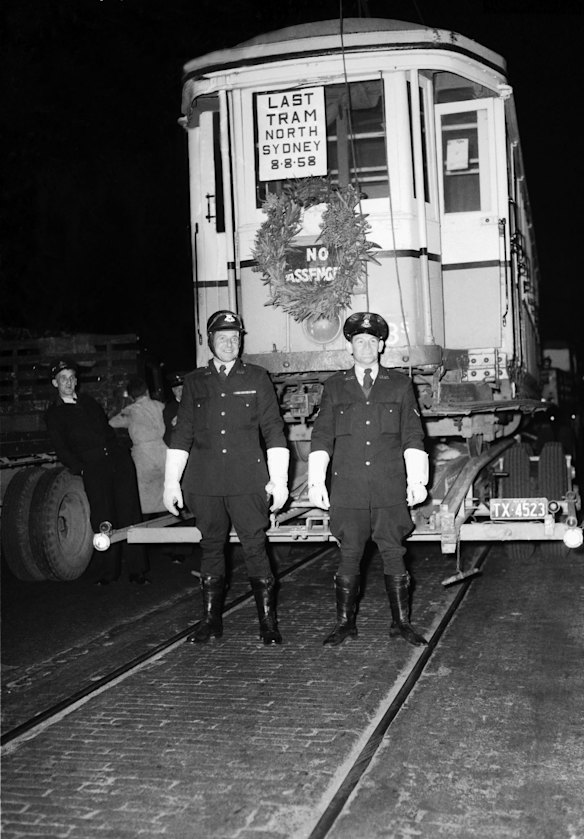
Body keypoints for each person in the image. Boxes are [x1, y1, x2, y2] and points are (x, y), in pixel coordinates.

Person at [163, 310, 290, 645]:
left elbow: (274, 430)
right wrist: (171, 481)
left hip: (247, 480)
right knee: (211, 547)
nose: (230, 343)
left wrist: (278, 480)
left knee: (255, 546)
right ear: (210, 341)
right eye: (223, 338)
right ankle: (210, 621)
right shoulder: (194, 382)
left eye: (235, 338)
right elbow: (183, 434)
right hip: (204, 483)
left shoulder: (257, 378)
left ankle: (267, 623)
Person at [308, 312, 429, 647]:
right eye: (358, 340)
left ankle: (401, 624)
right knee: (349, 554)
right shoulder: (334, 387)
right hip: (348, 488)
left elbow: (413, 437)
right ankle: (345, 624)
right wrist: (317, 482)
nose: (365, 346)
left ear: (381, 345)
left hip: (388, 485)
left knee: (394, 552)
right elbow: (321, 438)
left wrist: (416, 480)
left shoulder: (400, 385)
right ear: (350, 346)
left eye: (371, 341)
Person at [45, 359, 150, 585]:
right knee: (104, 519)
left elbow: (106, 429)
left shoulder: (88, 402)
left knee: (129, 513)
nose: (69, 383)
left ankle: (137, 571)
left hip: (117, 461)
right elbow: (61, 448)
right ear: (55, 383)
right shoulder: (54, 414)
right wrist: (81, 468)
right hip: (93, 467)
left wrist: (121, 452)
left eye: (72, 378)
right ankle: (108, 572)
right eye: (63, 379)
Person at [109, 376, 167, 515]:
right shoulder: (159, 406)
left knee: (145, 492)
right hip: (163, 449)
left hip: (143, 455)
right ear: (147, 391)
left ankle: (149, 522)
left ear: (130, 396)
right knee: (164, 487)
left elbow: (112, 423)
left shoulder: (131, 410)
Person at [163, 371, 185, 447]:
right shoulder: (169, 409)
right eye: (177, 389)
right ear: (173, 391)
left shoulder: (195, 404)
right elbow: (168, 434)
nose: (180, 392)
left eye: (182, 388)